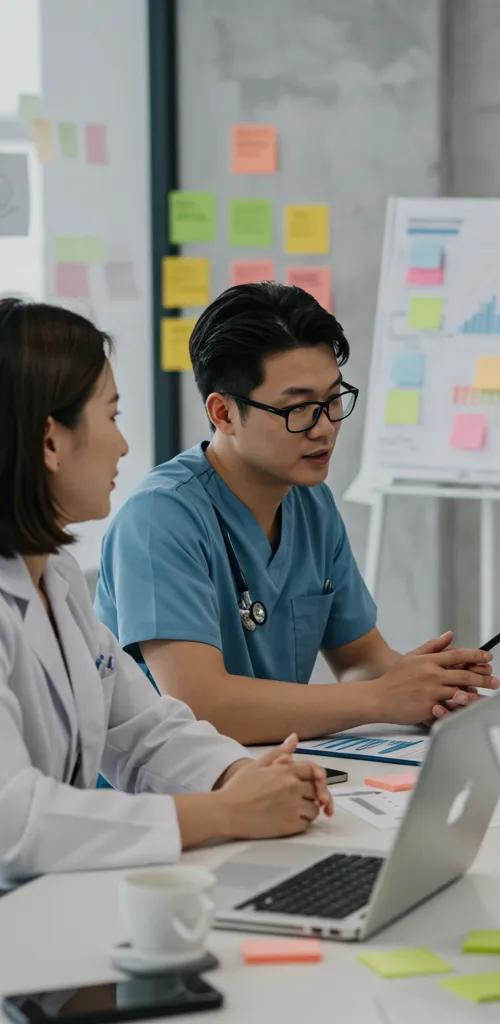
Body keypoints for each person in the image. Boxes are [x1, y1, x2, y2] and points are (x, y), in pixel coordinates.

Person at [0, 299, 332, 883]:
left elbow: (145, 729)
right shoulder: (157, 516)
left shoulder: (52, 577)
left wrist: (238, 775)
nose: (124, 446)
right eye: (112, 416)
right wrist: (225, 811)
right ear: (51, 441)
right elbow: (16, 822)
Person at [96, 283, 495, 745]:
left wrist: (433, 690)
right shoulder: (158, 519)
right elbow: (201, 706)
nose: (324, 427)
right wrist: (383, 698)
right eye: (299, 408)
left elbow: (360, 661)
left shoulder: (310, 501)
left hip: (272, 770)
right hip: (162, 799)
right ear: (223, 413)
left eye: (332, 400)